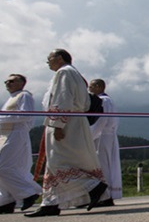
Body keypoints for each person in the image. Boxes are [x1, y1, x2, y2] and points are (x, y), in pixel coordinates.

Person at [27, 49, 107, 217]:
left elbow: (62, 99)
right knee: (56, 162)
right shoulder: (72, 73)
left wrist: (57, 125)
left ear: (60, 58)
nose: (47, 62)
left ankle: (93, 186)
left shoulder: (64, 73)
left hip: (66, 123)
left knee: (58, 162)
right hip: (72, 121)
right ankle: (51, 202)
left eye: (49, 58)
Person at [0, 74, 41, 214]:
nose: (8, 83)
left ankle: (29, 193)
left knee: (3, 167)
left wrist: (2, 118)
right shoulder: (11, 99)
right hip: (6, 135)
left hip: (17, 133)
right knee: (11, 167)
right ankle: (7, 200)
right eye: (6, 81)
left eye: (11, 81)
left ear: (21, 83)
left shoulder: (25, 96)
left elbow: (26, 115)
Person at [88, 79, 122, 207]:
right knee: (103, 164)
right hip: (104, 135)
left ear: (98, 86)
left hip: (102, 135)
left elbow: (102, 120)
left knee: (103, 165)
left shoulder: (104, 100)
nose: (89, 89)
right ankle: (105, 195)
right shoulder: (106, 100)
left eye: (91, 86)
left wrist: (90, 135)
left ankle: (105, 196)